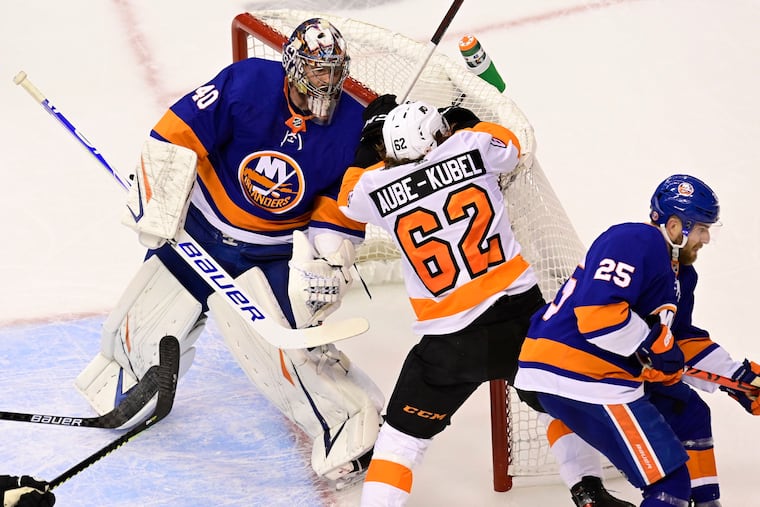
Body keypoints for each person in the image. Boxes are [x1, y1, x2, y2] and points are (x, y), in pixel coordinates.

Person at [74, 18, 384, 487]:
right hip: (197, 234)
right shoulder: (247, 83)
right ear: (294, 66)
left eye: (332, 70)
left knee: (286, 350)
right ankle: (132, 378)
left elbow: (338, 205)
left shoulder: (352, 127)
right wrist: (157, 204)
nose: (326, 81)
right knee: (141, 332)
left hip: (271, 253)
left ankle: (351, 430)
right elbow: (174, 136)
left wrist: (328, 259)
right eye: (317, 70)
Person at [338, 99, 635, 506]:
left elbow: (347, 198)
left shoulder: (373, 187)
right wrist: (462, 120)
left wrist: (370, 135)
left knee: (401, 438)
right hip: (520, 321)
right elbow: (511, 146)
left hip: (448, 341)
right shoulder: (471, 146)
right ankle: (589, 492)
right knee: (555, 404)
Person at [514, 174, 760, 506]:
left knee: (688, 410)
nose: (705, 238)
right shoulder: (635, 239)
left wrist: (739, 379)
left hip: (585, 372)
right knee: (670, 484)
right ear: (675, 226)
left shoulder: (681, 275)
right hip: (579, 370)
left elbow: (680, 341)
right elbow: (598, 316)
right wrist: (652, 346)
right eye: (701, 228)